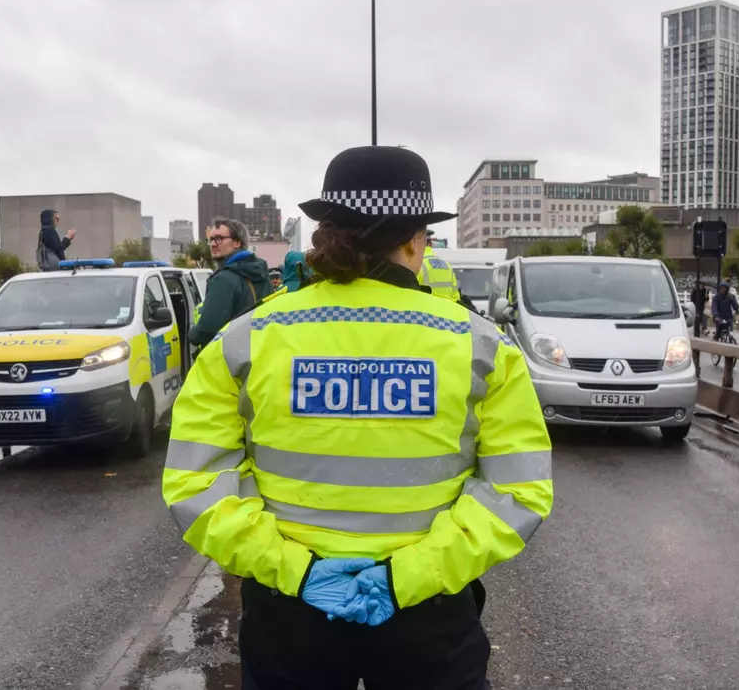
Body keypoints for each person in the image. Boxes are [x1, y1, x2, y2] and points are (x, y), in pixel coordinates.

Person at [164, 146, 553, 689]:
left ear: (324, 232)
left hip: (290, 613)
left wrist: (297, 572)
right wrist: (406, 578)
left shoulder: (246, 340)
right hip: (428, 614)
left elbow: (196, 483)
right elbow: (519, 492)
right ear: (417, 239)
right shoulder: (481, 347)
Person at [186, 218, 272, 348]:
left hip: (230, 356)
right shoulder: (262, 274)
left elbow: (207, 328)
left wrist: (192, 335)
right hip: (259, 350)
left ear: (237, 242)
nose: (213, 244)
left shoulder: (224, 279)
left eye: (219, 238)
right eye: (211, 239)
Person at [417, 229, 460, 301]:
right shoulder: (447, 265)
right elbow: (456, 297)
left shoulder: (417, 265)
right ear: (430, 244)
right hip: (446, 311)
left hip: (426, 310)